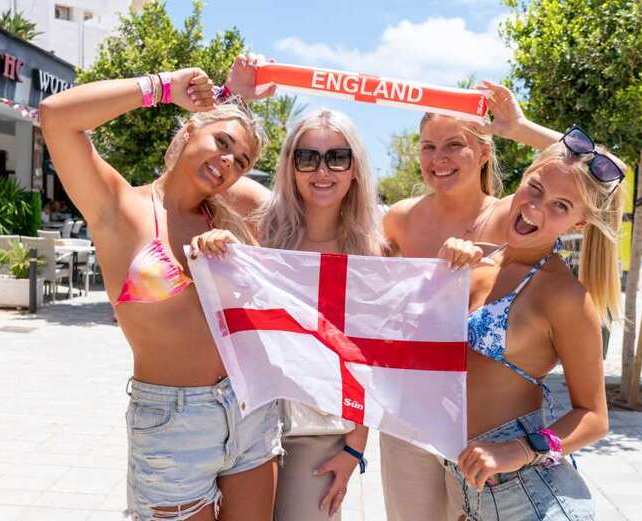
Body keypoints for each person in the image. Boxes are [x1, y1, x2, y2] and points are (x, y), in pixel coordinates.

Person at [40, 55, 281, 521]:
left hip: (250, 408)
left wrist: (235, 100)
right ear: (189, 130)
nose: (229, 161)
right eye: (222, 142)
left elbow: (312, 209)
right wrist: (162, 87)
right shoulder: (119, 209)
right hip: (172, 422)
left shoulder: (234, 214)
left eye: (242, 160)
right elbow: (56, 116)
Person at [380, 82, 563, 520]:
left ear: (484, 152)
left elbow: (597, 169)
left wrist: (519, 128)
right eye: (427, 147)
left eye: (454, 145)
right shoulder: (399, 218)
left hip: (487, 422)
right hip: (408, 416)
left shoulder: (512, 215)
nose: (437, 159)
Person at [190, 108, 385, 520]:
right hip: (246, 426)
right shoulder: (258, 227)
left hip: (321, 434)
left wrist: (355, 448)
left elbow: (373, 359)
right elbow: (198, 161)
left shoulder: (372, 250)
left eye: (337, 157)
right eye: (307, 157)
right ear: (290, 165)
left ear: (355, 170)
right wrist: (218, 245)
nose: (322, 170)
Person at [439, 125, 624, 519]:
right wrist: (443, 267)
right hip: (473, 491)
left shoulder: (563, 295)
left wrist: (518, 450)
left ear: (579, 223)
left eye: (561, 206)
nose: (536, 208)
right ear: (521, 180)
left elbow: (594, 417)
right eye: (535, 188)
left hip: (531, 497)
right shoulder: (478, 260)